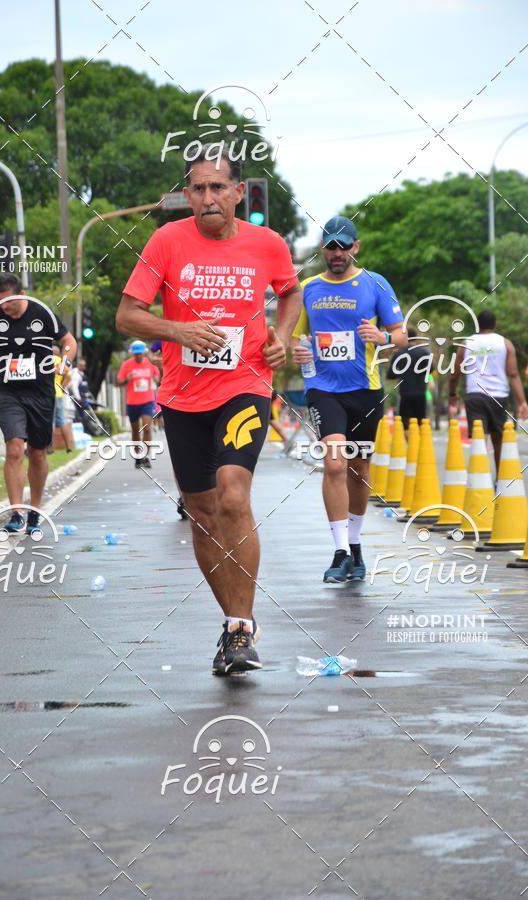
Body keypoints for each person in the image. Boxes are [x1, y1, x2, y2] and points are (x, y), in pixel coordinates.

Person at [116, 145, 301, 675]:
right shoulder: (166, 241)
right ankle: (231, 625)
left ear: (238, 193)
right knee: (200, 512)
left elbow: (290, 294)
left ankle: (242, 628)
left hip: (245, 385)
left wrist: (282, 337)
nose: (208, 197)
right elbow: (128, 315)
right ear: (187, 195)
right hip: (182, 396)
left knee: (233, 492)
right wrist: (178, 330)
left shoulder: (267, 245)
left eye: (218, 187)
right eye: (197, 188)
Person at [292, 215, 406, 583]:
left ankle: (355, 549)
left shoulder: (375, 283)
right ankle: (340, 551)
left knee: (358, 470)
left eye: (344, 245)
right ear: (322, 248)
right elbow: (294, 336)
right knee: (336, 464)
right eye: (331, 245)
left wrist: (382, 338)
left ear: (355, 247)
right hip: (324, 390)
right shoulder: (307, 287)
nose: (337, 252)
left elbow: (402, 335)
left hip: (366, 390)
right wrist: (298, 351)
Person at [0, 273, 77, 533]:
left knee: (37, 452)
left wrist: (65, 363)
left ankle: (34, 511)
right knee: (14, 449)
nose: (3, 307)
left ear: (20, 296)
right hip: (10, 393)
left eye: (8, 302)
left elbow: (68, 341)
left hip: (41, 393)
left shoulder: (41, 313)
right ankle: (15, 514)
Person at [449, 309, 528, 469]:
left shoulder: (466, 343)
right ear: (495, 324)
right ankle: (499, 479)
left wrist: (452, 393)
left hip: (474, 396)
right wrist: (522, 402)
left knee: (479, 438)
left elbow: (455, 373)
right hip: (498, 397)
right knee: (498, 440)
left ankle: (480, 480)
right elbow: (513, 374)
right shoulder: (505, 343)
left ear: (477, 325)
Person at [116, 340, 160, 468]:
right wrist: (126, 380)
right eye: (136, 354)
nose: (138, 356)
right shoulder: (126, 365)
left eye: (140, 354)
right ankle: (138, 457)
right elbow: (118, 382)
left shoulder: (150, 363)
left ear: (144, 353)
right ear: (132, 354)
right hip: (132, 402)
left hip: (147, 401)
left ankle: (145, 456)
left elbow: (157, 376)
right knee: (135, 431)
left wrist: (155, 379)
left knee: (147, 428)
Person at [386, 327, 432, 432]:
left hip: (405, 393)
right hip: (421, 393)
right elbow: (430, 370)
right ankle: (419, 444)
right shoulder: (424, 353)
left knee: (406, 424)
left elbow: (391, 375)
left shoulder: (399, 354)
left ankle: (411, 445)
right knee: (421, 422)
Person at [50, 343, 73, 453]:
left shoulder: (47, 360)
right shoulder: (61, 362)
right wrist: (62, 387)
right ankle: (69, 448)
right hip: (58, 393)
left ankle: (51, 448)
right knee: (62, 421)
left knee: (51, 422)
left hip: (49, 393)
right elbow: (69, 377)